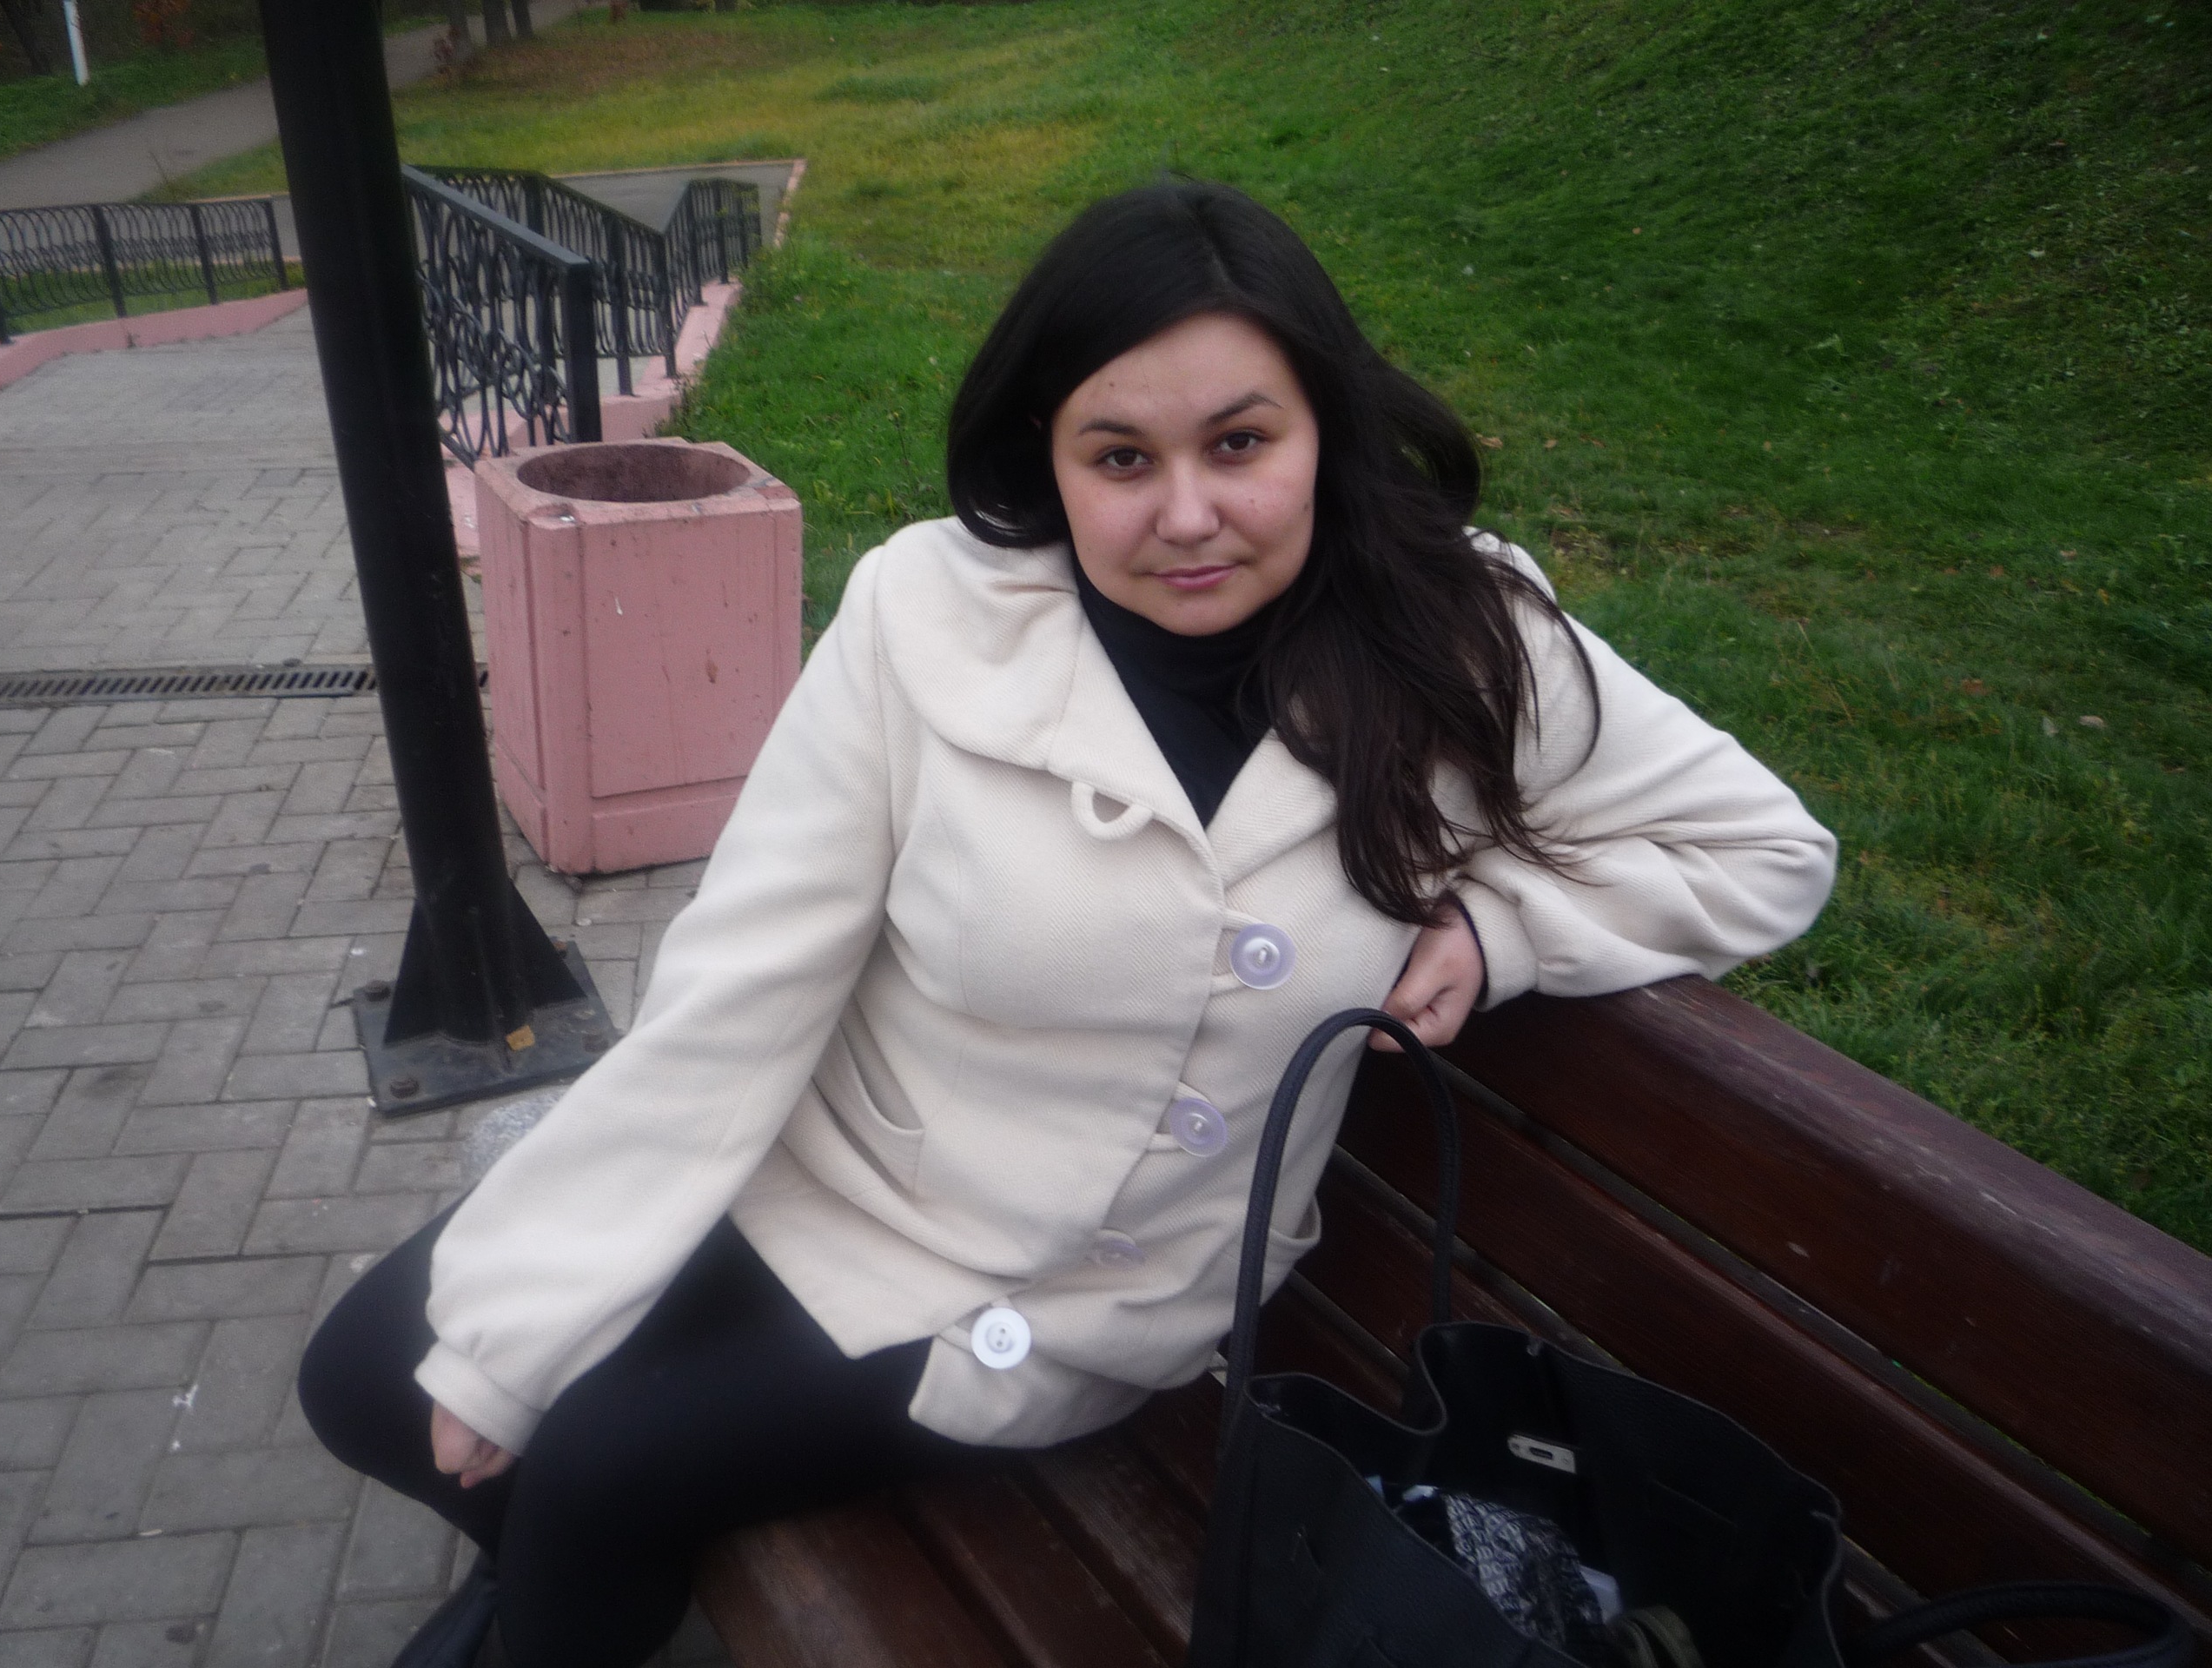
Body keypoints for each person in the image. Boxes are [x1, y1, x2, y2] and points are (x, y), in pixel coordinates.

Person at [300, 179, 1838, 1668]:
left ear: (1325, 428)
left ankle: (559, 1600)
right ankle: (557, 1583)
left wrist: (1508, 928)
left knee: (599, 1471)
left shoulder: (1464, 641)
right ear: (1048, 453)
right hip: (822, 1176)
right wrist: (525, 1324)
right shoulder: (929, 618)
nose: (1188, 515)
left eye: (1242, 443)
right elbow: (737, 989)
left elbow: (1769, 850)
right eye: (1120, 457)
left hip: (1066, 1291)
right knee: (373, 1371)